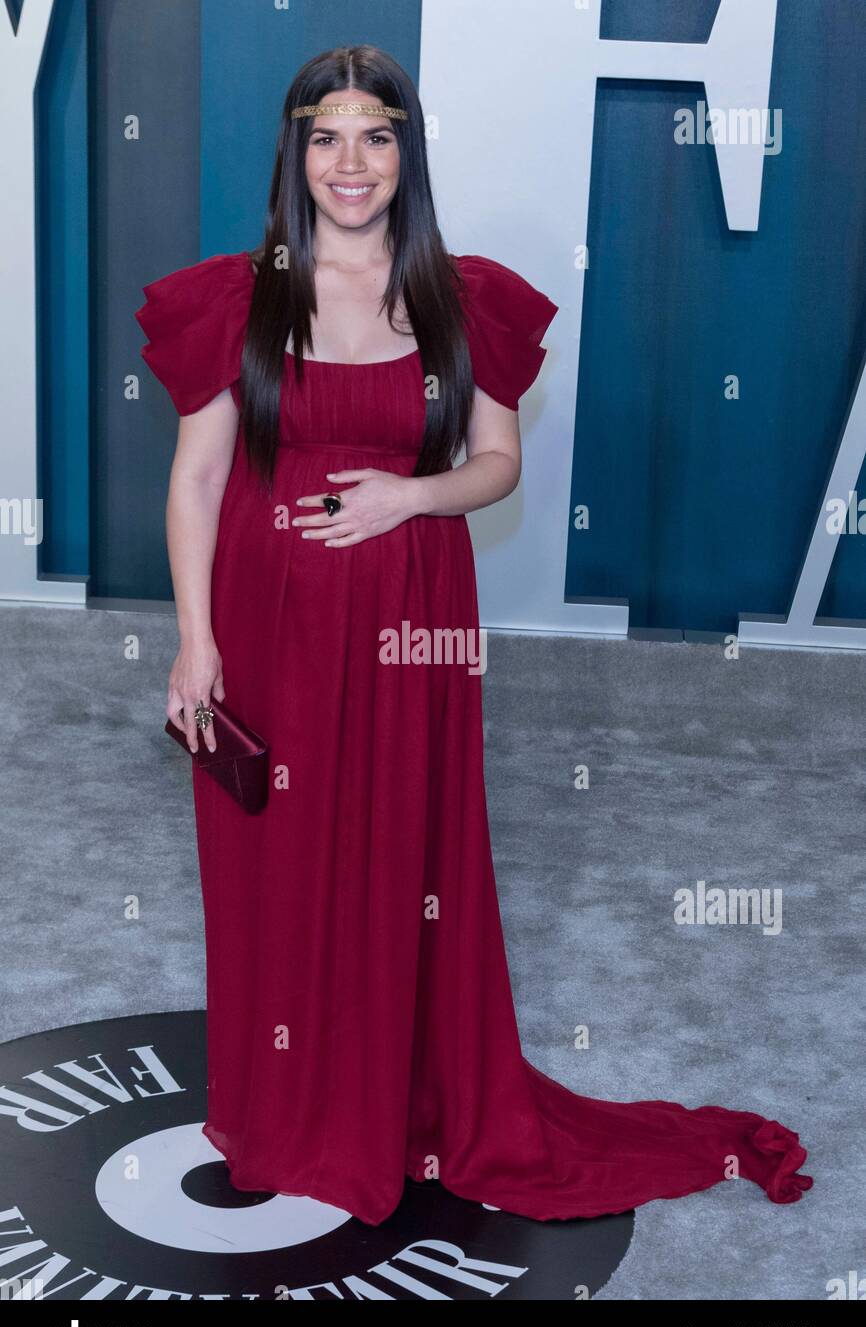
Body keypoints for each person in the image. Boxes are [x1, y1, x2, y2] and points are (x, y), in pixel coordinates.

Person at [134, 45, 811, 1226]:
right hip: (261, 621)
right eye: (328, 137)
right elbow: (194, 481)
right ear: (295, 153)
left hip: (411, 628)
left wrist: (407, 494)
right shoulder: (235, 298)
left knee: (401, 852)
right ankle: (284, 1111)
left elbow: (495, 464)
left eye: (378, 136)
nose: (353, 164)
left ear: (409, 152)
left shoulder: (462, 295)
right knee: (271, 866)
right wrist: (194, 642)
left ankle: (393, 1109)